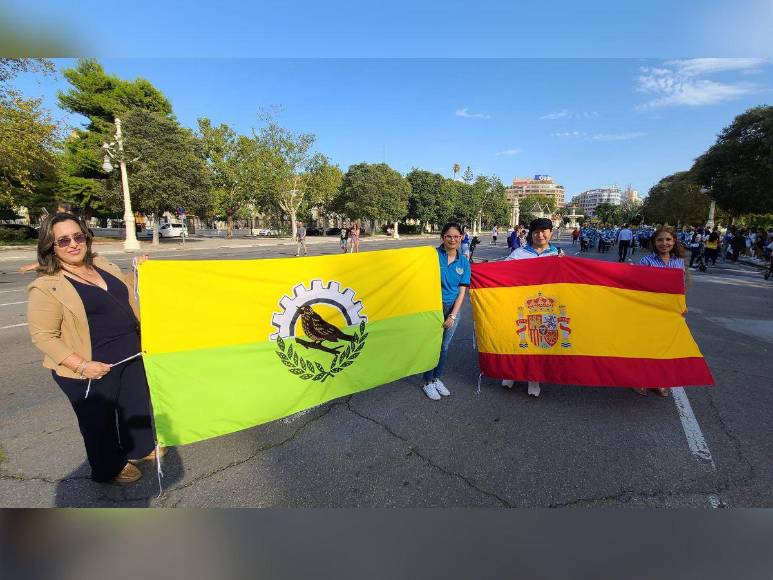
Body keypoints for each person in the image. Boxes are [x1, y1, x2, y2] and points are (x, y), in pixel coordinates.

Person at [26, 213, 160, 484]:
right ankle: (110, 467)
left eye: (78, 237)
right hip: (90, 365)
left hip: (130, 353)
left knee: (136, 404)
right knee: (99, 422)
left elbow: (119, 293)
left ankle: (140, 448)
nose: (73, 244)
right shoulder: (46, 286)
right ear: (51, 246)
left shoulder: (100, 264)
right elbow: (44, 336)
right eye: (63, 240)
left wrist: (137, 272)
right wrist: (82, 365)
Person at [501, 218, 563, 397]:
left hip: (546, 307)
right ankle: (511, 373)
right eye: (536, 232)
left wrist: (563, 262)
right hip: (521, 304)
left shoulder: (558, 255)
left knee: (538, 343)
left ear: (551, 233)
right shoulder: (519, 253)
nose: (540, 235)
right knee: (518, 340)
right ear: (531, 234)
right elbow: (501, 272)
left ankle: (533, 379)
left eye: (544, 231)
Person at [635, 225, 688, 397]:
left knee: (665, 347)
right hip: (649, 309)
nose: (664, 243)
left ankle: (658, 380)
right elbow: (638, 286)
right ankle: (640, 379)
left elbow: (681, 287)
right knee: (646, 345)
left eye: (668, 239)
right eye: (660, 240)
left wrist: (683, 306)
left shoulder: (679, 262)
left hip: (670, 311)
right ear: (654, 242)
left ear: (674, 241)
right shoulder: (646, 261)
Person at [422, 223, 470, 401]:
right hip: (432, 308)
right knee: (431, 346)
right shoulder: (432, 256)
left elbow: (462, 291)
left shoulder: (463, 262)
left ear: (461, 238)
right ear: (442, 237)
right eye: (449, 236)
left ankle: (436, 379)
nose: (452, 240)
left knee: (444, 347)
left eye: (456, 236)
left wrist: (453, 315)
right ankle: (427, 382)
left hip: (452, 309)